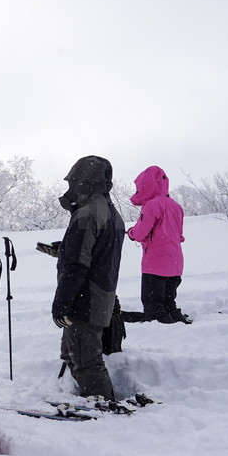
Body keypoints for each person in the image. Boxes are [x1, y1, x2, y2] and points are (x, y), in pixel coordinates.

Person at [52, 156, 125, 401]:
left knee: (85, 359)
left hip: (85, 298)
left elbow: (77, 264)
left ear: (83, 181)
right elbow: (96, 253)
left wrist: (61, 303)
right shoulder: (110, 212)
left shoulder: (87, 214)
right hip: (100, 294)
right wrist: (64, 248)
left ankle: (102, 403)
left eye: (73, 180)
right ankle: (91, 398)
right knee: (73, 353)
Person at [126, 166, 191, 324]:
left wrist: (131, 233)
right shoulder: (176, 206)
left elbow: (141, 232)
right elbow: (179, 235)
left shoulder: (152, 205)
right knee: (169, 301)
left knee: (153, 305)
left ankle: (162, 328)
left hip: (155, 263)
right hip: (175, 262)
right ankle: (175, 318)